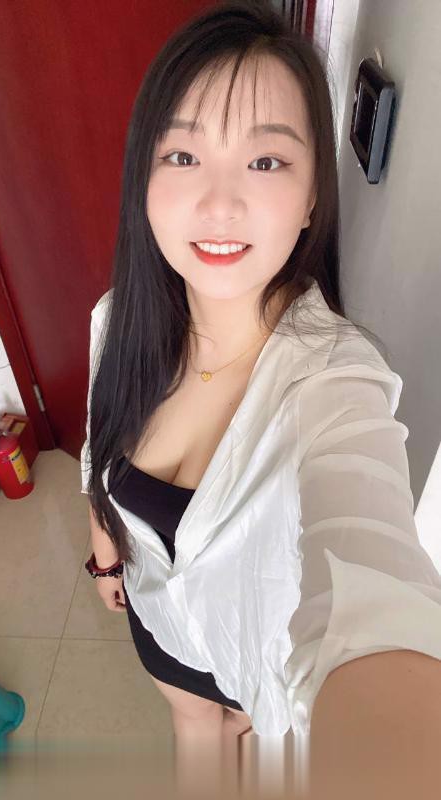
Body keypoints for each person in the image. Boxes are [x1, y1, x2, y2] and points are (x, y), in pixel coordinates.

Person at [80, 0, 441, 770]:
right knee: (192, 734)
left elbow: (376, 589)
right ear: (143, 179)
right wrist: (104, 545)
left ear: (313, 197)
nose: (219, 203)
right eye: (183, 156)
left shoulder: (337, 383)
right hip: (159, 628)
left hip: (262, 667)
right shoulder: (115, 321)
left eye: (267, 161)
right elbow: (96, 443)